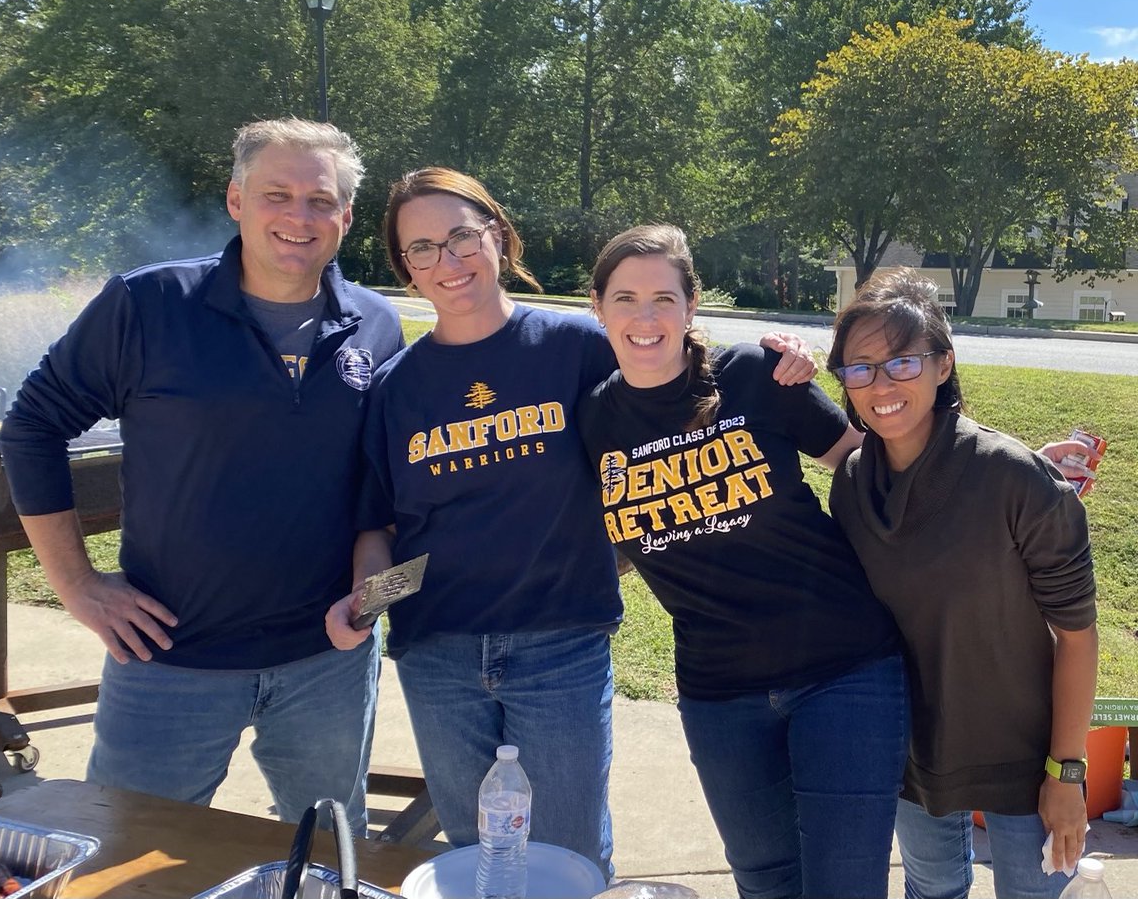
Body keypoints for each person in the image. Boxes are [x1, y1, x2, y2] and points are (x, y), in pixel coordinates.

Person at [324, 171, 814, 877]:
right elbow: (380, 528)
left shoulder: (578, 346)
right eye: (422, 247)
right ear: (406, 267)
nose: (449, 260)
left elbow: (671, 353)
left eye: (462, 234)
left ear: (497, 233)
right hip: (439, 656)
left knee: (570, 859)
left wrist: (777, 361)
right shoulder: (397, 386)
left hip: (560, 645)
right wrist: (364, 602)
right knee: (474, 859)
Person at [0, 118, 404, 830]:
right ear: (236, 199)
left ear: (345, 215)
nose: (299, 216)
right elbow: (33, 424)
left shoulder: (376, 325)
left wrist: (374, 595)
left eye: (321, 199)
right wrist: (79, 584)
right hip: (168, 661)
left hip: (325, 665)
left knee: (328, 853)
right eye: (277, 193)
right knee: (120, 856)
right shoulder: (149, 305)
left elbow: (379, 488)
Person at [576, 224, 909, 899]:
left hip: (843, 668)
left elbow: (868, 465)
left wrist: (999, 474)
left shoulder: (755, 375)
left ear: (692, 305)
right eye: (627, 298)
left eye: (664, 298)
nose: (646, 318)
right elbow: (604, 544)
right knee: (766, 883)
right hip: (719, 692)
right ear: (597, 306)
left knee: (845, 884)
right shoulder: (591, 421)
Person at [826, 268, 1098, 899]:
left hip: (1027, 761)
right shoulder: (853, 485)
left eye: (902, 362)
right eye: (859, 367)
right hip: (912, 756)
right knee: (933, 891)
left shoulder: (1014, 479)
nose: (881, 384)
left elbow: (1078, 638)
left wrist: (1067, 773)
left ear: (943, 365)